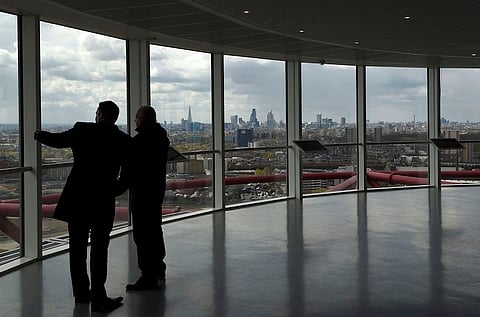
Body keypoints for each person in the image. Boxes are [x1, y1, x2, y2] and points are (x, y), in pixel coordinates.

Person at [34, 101, 131, 313]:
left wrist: (39, 134)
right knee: (99, 250)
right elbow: (128, 173)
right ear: (114, 117)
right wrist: (114, 190)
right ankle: (99, 298)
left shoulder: (82, 130)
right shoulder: (122, 140)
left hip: (77, 199)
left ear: (99, 114)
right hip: (103, 201)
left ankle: (81, 295)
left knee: (77, 249)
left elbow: (56, 141)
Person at [116, 106, 170, 291]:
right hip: (156, 191)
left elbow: (130, 172)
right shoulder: (161, 139)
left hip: (141, 193)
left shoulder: (139, 142)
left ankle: (148, 276)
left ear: (142, 120)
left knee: (142, 235)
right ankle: (158, 267)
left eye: (137, 117)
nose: (135, 120)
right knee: (154, 230)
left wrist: (115, 189)